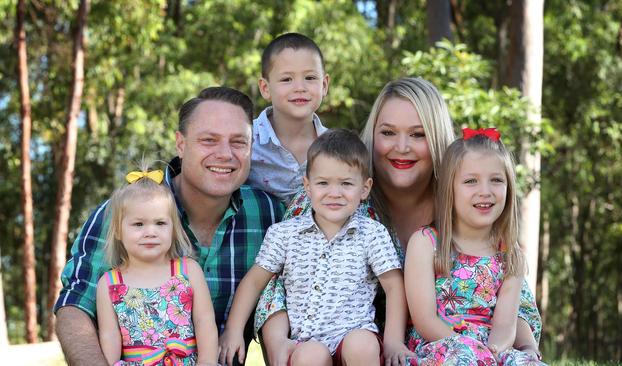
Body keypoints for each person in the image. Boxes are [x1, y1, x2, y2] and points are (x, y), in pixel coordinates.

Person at [258, 78, 543, 364]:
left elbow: (512, 297)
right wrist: (278, 342)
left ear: (437, 139)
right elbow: (275, 279)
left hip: (451, 350)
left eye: (418, 135)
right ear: (373, 135)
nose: (402, 147)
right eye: (388, 132)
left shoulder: (466, 203)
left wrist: (515, 347)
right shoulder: (335, 194)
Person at [54, 86, 285, 366]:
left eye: (238, 142)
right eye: (209, 140)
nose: (225, 154)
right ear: (181, 144)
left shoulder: (270, 214)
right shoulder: (122, 212)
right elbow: (74, 307)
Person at [219, 129, 408, 366]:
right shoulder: (285, 234)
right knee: (311, 357)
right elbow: (254, 281)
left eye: (346, 183)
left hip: (354, 334)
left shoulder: (372, 233)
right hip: (306, 344)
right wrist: (234, 329)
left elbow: (393, 286)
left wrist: (393, 341)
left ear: (365, 188)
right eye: (323, 183)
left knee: (363, 344)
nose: (334, 193)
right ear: (307, 186)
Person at [403, 128, 545, 365]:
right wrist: (471, 350)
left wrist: (492, 354)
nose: (485, 192)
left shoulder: (510, 255)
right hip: (441, 346)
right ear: (450, 188)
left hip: (491, 348)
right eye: (471, 181)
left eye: (496, 180)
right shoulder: (426, 243)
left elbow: (504, 328)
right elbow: (425, 320)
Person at [96, 165, 217, 365]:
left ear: (173, 229)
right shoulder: (109, 283)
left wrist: (207, 361)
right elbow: (109, 337)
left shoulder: (188, 271)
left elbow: (205, 322)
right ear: (118, 231)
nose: (150, 232)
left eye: (160, 223)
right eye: (138, 224)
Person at [246, 32, 330, 205]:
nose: (300, 87)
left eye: (310, 78)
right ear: (265, 88)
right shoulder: (245, 139)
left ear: (324, 85)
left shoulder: (335, 147)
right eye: (286, 79)